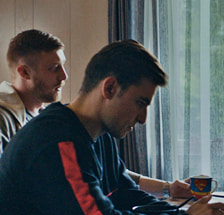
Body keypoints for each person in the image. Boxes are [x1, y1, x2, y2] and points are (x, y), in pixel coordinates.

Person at [0, 40, 224, 215]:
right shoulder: (57, 140)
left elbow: (128, 194)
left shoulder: (99, 135)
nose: (143, 117)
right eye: (140, 102)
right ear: (109, 88)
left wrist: (190, 213)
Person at [0, 29, 190, 199]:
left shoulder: (51, 117)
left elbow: (113, 176)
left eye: (63, 66)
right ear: (24, 72)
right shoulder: (14, 121)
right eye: (54, 68)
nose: (64, 76)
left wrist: (168, 188)